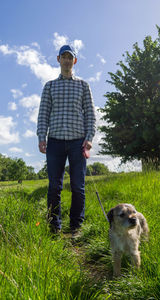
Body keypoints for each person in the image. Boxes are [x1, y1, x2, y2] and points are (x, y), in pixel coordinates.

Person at [37, 45, 96, 236]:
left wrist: (89, 138)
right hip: (54, 142)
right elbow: (43, 114)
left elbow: (91, 114)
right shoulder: (50, 86)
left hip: (77, 142)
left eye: (70, 57)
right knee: (54, 187)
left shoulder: (83, 85)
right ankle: (55, 227)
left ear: (75, 61)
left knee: (78, 187)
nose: (67, 60)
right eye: (64, 57)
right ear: (58, 59)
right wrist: (41, 137)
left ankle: (76, 227)